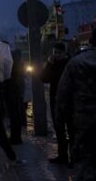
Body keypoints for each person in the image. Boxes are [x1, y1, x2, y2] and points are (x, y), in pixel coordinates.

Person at [56, 29, 96, 180]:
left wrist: (60, 119)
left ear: (91, 41)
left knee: (85, 165)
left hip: (85, 124)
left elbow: (62, 95)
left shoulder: (77, 63)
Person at [41, 42, 72, 164]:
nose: (57, 55)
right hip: (55, 100)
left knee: (71, 129)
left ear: (64, 53)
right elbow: (43, 78)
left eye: (59, 53)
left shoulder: (70, 63)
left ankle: (73, 157)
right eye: (55, 53)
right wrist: (49, 63)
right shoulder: (52, 64)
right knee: (59, 129)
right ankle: (62, 156)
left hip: (69, 100)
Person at [4, 48, 25, 145]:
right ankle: (16, 137)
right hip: (16, 93)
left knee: (14, 116)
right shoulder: (18, 66)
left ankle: (14, 138)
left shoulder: (12, 69)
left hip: (12, 94)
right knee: (16, 116)